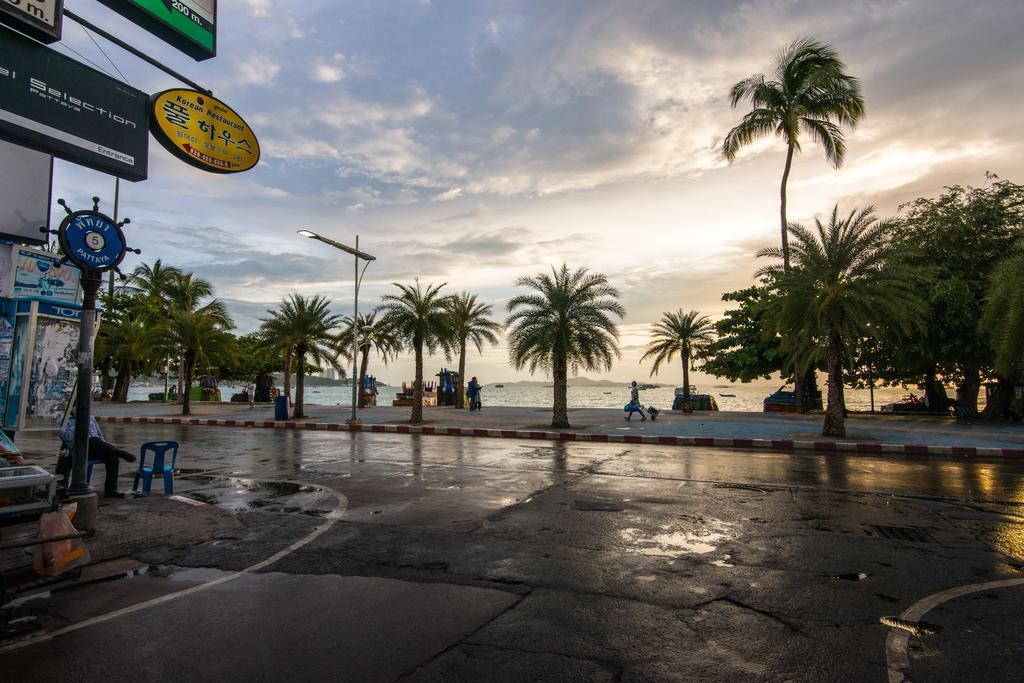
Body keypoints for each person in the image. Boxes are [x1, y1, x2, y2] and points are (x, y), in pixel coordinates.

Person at [57, 413, 136, 498]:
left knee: (112, 456)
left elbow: (99, 434)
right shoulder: (62, 420)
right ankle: (120, 452)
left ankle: (111, 490)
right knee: (93, 441)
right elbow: (67, 437)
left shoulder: (90, 417)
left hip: (97, 447)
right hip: (79, 449)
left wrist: (104, 445)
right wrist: (79, 424)